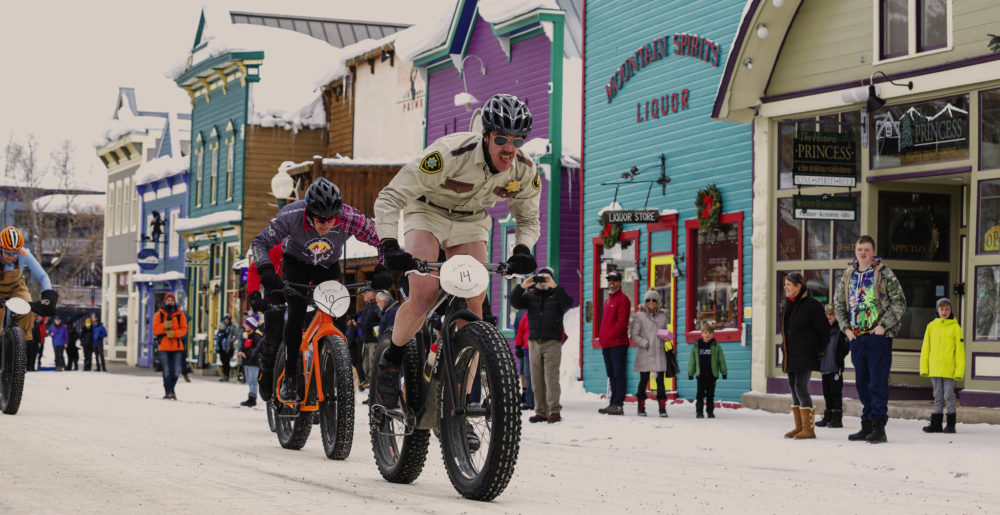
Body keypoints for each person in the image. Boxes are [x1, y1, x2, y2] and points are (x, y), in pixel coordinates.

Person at [371, 93, 541, 410]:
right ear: (487, 135)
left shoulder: (524, 170)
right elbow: (390, 197)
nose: (509, 148)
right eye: (502, 139)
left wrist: (522, 248)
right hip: (427, 212)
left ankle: (457, 408)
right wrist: (389, 244)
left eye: (517, 141)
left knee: (474, 306)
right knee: (423, 293)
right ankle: (391, 362)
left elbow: (528, 218)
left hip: (471, 222)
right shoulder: (450, 152)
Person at [250, 177, 389, 402]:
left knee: (339, 317)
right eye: (320, 219)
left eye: (331, 219)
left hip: (328, 267)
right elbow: (260, 242)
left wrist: (382, 267)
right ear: (309, 212)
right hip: (295, 265)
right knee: (295, 314)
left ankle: (332, 370)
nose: (326, 224)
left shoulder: (348, 218)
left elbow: (383, 239)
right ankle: (290, 378)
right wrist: (266, 270)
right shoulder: (292, 215)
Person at [834, 235, 907, 444]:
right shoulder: (848, 274)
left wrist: (883, 326)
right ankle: (866, 425)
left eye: (866, 249)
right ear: (855, 251)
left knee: (877, 383)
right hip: (857, 338)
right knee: (862, 383)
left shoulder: (884, 273)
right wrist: (846, 330)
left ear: (873, 252)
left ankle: (878, 426)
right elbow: (839, 304)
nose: (863, 253)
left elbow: (900, 303)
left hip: (878, 338)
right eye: (860, 249)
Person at [510, 266, 573, 423]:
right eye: (541, 278)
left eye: (546, 278)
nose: (543, 281)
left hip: (552, 341)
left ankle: (554, 410)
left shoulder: (557, 295)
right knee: (535, 378)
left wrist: (554, 286)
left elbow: (568, 302)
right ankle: (540, 411)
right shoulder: (531, 295)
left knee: (551, 377)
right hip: (534, 342)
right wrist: (523, 286)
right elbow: (515, 301)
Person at [779, 272, 828, 440]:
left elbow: (824, 330)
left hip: (805, 354)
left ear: (799, 287)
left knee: (801, 387)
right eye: (785, 284)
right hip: (791, 354)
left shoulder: (811, 305)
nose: (785, 287)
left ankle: (809, 429)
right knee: (793, 388)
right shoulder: (788, 305)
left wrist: (818, 351)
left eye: (789, 285)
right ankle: (799, 427)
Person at [0, 226, 58, 366]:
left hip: (16, 286)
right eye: (7, 252)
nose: (11, 256)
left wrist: (48, 296)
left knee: (27, 309)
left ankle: (20, 348)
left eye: (14, 253)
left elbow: (43, 276)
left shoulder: (23, 254)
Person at [920, 298, 964, 434]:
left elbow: (960, 352)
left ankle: (951, 424)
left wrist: (959, 371)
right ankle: (936, 424)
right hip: (935, 368)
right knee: (937, 395)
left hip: (949, 369)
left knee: (949, 395)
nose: (944, 312)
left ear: (950, 311)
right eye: (941, 309)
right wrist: (924, 368)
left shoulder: (956, 328)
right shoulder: (931, 327)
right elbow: (925, 349)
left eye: (947, 309)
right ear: (937, 310)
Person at [630, 290, 670, 418]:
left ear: (658, 302)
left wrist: (667, 336)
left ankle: (662, 408)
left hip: (659, 352)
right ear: (645, 302)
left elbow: (665, 332)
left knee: (660, 381)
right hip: (645, 353)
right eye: (648, 300)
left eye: (653, 300)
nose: (651, 302)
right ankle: (641, 407)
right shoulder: (639, 316)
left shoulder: (663, 316)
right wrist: (645, 343)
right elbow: (634, 336)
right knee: (643, 380)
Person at [597, 270, 630, 416]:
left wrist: (610, 336)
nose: (611, 282)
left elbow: (622, 323)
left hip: (618, 344)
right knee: (611, 374)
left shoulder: (623, 299)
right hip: (607, 344)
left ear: (620, 282)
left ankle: (618, 404)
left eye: (614, 280)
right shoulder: (607, 301)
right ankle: (612, 403)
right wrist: (602, 338)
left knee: (619, 373)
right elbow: (605, 323)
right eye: (609, 279)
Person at [816, 305, 849, 428]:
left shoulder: (839, 330)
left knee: (835, 393)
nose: (829, 317)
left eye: (832, 314)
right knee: (826, 392)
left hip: (836, 368)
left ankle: (837, 418)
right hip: (825, 367)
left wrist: (839, 357)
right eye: (827, 314)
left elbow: (845, 347)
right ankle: (828, 416)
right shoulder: (823, 330)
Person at [152, 293, 188, 399]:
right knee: (167, 370)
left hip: (177, 346)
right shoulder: (159, 314)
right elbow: (155, 329)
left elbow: (184, 329)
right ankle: (169, 392)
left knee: (176, 371)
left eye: (172, 300)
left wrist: (174, 333)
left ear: (174, 301)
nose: (170, 302)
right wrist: (164, 326)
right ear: (165, 301)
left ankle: (171, 390)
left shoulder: (180, 314)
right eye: (168, 300)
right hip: (164, 346)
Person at [689, 321, 727, 418]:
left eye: (710, 333)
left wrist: (724, 372)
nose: (708, 335)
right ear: (702, 334)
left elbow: (721, 359)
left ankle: (710, 412)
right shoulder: (697, 346)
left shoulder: (716, 346)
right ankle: (699, 412)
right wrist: (691, 373)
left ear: (713, 334)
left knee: (710, 395)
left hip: (711, 375)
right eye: (705, 333)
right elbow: (692, 360)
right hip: (700, 375)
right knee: (700, 394)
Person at [357, 287, 381, 394]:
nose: (363, 296)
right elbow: (358, 315)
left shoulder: (377, 306)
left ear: (373, 293)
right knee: (365, 366)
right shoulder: (367, 307)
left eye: (365, 293)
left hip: (373, 341)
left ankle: (374, 392)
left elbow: (377, 322)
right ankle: (370, 388)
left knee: (372, 365)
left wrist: (359, 324)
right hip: (365, 341)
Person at [238, 315, 265, 408]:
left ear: (251, 326)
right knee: (249, 380)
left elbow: (257, 349)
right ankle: (250, 396)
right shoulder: (247, 335)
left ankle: (253, 398)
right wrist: (241, 352)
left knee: (253, 380)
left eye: (246, 324)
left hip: (253, 362)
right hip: (247, 361)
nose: (244, 326)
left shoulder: (257, 336)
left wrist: (247, 353)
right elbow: (245, 347)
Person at [513, 310, 533, 411]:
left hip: (535, 345)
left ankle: (533, 399)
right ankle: (527, 395)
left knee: (533, 374)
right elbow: (519, 330)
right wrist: (518, 345)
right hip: (525, 347)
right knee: (525, 372)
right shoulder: (521, 312)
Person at [215, 313, 241, 381]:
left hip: (228, 347)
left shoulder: (233, 326)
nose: (227, 320)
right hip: (221, 346)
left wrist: (231, 341)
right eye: (226, 319)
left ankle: (226, 376)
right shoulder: (221, 325)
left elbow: (237, 335)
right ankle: (224, 375)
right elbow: (218, 334)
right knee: (222, 360)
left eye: (229, 319)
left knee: (226, 361)